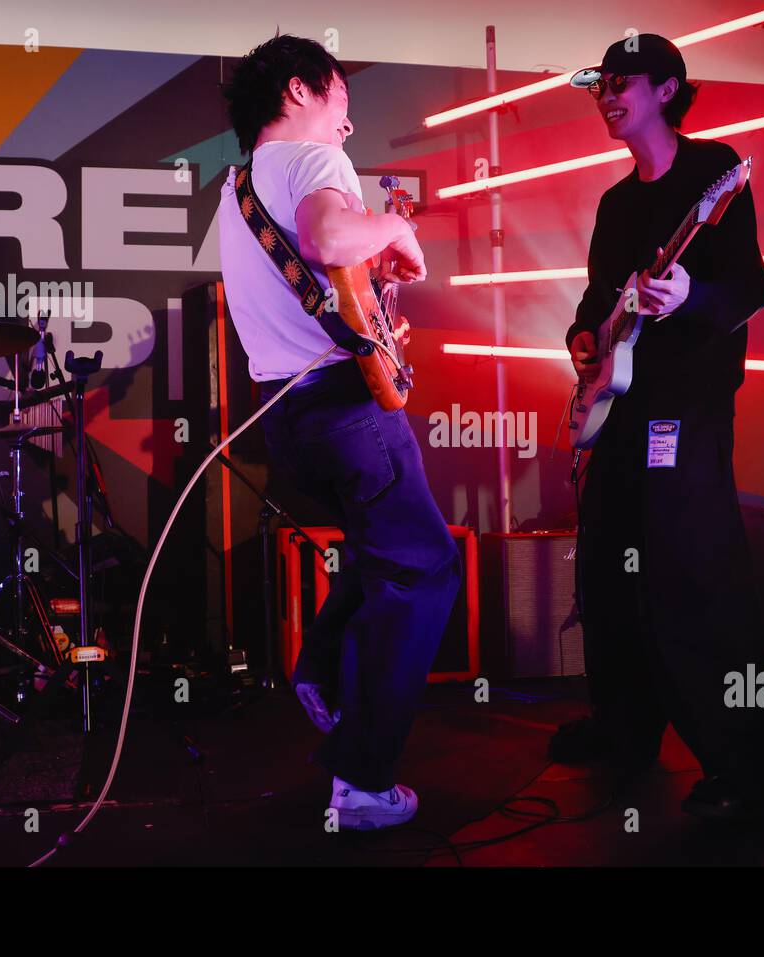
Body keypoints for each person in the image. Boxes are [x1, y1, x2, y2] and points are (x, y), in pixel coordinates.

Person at [217, 34, 460, 830]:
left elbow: (316, 268)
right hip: (346, 409)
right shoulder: (314, 162)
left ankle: (319, 665)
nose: (346, 130)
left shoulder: (238, 188)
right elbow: (326, 239)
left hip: (287, 421)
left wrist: (370, 267)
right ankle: (361, 782)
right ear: (299, 91)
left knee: (381, 551)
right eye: (341, 107)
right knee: (424, 569)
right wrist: (393, 227)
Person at [551, 33, 764, 825]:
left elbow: (750, 285)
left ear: (667, 88)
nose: (608, 96)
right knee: (608, 579)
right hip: (621, 410)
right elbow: (596, 301)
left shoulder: (715, 175)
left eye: (622, 83)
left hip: (685, 412)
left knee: (696, 584)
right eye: (600, 87)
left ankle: (746, 766)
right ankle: (624, 728)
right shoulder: (618, 203)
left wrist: (689, 295)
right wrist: (585, 339)